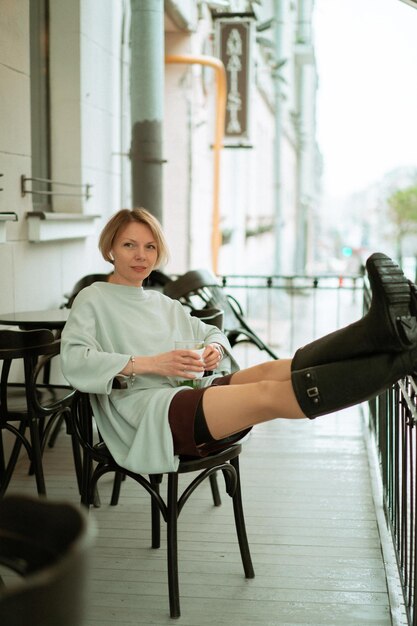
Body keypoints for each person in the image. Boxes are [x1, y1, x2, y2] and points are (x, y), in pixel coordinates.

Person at [61, 208, 417, 474]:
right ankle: (401, 358)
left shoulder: (161, 301)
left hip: (187, 394)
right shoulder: (93, 298)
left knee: (277, 368)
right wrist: (152, 363)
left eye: (150, 247)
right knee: (267, 394)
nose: (141, 255)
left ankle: (377, 330)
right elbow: (75, 360)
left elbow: (213, 333)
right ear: (110, 248)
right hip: (149, 416)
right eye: (129, 245)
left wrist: (213, 350)